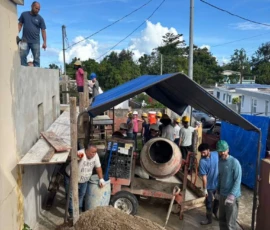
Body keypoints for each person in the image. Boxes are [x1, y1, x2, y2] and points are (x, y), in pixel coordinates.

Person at [64, 145, 105, 218]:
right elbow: (69, 158)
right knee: (71, 196)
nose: (93, 154)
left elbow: (98, 167)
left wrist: (101, 179)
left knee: (81, 195)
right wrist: (76, 158)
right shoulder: (80, 153)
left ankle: (79, 209)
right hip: (71, 178)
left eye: (95, 152)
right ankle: (71, 213)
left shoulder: (95, 156)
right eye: (92, 152)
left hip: (84, 180)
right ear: (86, 150)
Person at [216, 140, 242, 230]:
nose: (222, 152)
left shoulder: (234, 162)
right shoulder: (220, 162)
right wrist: (218, 190)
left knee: (230, 224)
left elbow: (237, 180)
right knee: (222, 220)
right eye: (220, 151)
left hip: (232, 198)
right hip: (222, 195)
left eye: (224, 150)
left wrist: (232, 195)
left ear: (228, 150)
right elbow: (220, 177)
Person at [18, 1, 46, 67]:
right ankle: (24, 71)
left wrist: (44, 42)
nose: (37, 10)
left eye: (39, 9)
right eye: (36, 8)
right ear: (32, 6)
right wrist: (16, 33)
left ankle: (37, 75)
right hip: (24, 41)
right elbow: (20, 24)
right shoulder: (24, 14)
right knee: (22, 56)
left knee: (36, 59)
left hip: (35, 42)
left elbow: (43, 30)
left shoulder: (40, 19)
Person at [198, 143, 219, 225]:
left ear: (208, 150)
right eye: (201, 153)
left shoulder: (216, 154)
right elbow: (204, 177)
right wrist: (205, 189)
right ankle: (208, 219)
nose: (202, 154)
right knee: (209, 203)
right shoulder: (202, 162)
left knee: (218, 200)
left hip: (218, 184)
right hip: (209, 187)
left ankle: (215, 212)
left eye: (203, 152)